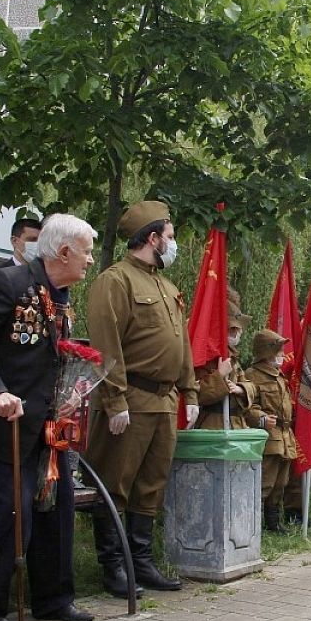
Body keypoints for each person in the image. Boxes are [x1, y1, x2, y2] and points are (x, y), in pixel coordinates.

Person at [0, 213, 97, 621]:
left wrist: (69, 393)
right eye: (86, 252)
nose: (89, 260)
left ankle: (54, 599)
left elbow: (49, 355)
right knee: (11, 515)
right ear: (64, 251)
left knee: (57, 511)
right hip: (2, 427)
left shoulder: (61, 295)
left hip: (47, 428)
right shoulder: (7, 284)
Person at [84, 201, 197, 596]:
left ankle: (141, 562)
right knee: (116, 484)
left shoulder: (166, 287)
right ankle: (114, 567)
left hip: (164, 402)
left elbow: (180, 343)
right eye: (169, 237)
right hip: (131, 399)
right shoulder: (115, 282)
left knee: (151, 485)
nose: (173, 244)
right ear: (151, 239)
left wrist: (191, 389)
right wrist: (114, 401)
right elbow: (105, 345)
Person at [246, 329, 300, 532]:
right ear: (266, 351)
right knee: (264, 483)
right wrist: (260, 418)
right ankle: (252, 526)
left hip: (285, 435)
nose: (282, 354)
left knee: (280, 483)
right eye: (278, 349)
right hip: (268, 436)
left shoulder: (279, 376)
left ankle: (273, 523)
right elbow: (247, 406)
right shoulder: (252, 375)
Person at [195, 287, 256, 431]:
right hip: (211, 429)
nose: (237, 333)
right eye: (233, 329)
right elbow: (195, 394)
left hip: (236, 427)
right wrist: (219, 375)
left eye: (237, 329)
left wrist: (241, 389)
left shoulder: (232, 356)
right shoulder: (203, 355)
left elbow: (250, 385)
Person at [0, 217, 42, 290]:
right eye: (32, 240)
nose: (37, 244)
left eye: (40, 241)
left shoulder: (45, 277)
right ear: (14, 241)